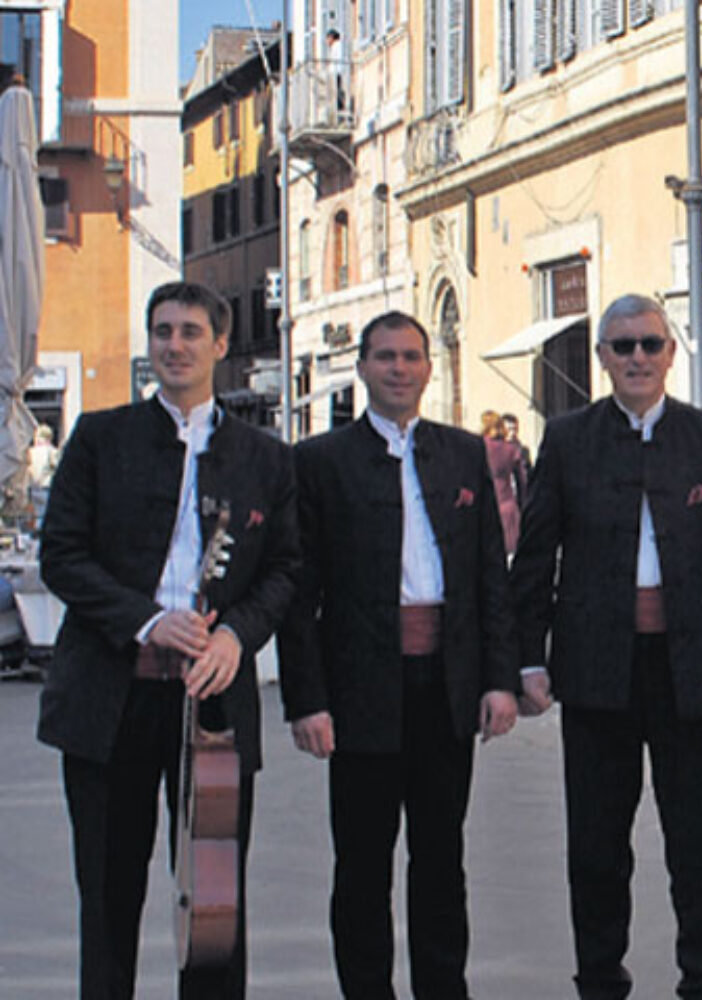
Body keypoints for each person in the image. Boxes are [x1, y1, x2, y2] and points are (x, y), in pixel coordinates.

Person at [38, 281, 299, 999]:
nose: (174, 346)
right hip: (109, 702)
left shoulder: (265, 457)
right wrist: (147, 619)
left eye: (190, 332)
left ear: (221, 344)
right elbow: (62, 555)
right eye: (162, 332)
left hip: (212, 704)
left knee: (215, 906)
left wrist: (237, 636)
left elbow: (285, 568)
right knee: (107, 898)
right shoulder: (100, 438)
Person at [512, 294, 702, 1000]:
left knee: (697, 843)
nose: (637, 358)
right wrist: (528, 657)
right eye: (622, 346)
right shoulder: (568, 440)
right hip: (596, 671)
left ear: (670, 353)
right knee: (596, 846)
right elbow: (534, 560)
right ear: (602, 357)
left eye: (650, 344)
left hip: (689, 668)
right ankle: (600, 979)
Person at [278, 311, 519, 999]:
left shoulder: (463, 453)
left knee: (441, 859)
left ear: (429, 368)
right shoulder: (320, 462)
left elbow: (488, 578)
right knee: (362, 864)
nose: (399, 369)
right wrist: (308, 700)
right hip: (360, 692)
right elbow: (298, 594)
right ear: (362, 367)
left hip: (446, 685)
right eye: (385, 356)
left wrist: (499, 680)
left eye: (411, 356)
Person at [481, 410, 523, 553]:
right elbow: (522, 481)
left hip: (485, 507)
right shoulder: (511, 449)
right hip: (508, 505)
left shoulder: (479, 447)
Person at [502, 412, 533, 496]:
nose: (512, 433)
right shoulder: (496, 451)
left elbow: (529, 474)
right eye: (509, 429)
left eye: (515, 429)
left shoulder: (523, 451)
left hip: (521, 496)